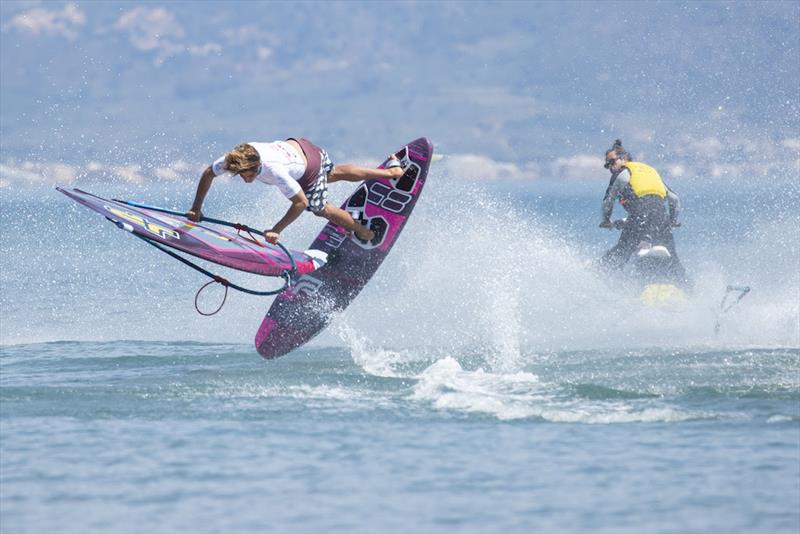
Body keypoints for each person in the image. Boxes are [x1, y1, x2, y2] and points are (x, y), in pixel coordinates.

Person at [186, 138, 404, 243]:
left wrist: (277, 229)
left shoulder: (274, 171)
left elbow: (300, 202)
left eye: (247, 175)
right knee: (333, 173)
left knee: (319, 208)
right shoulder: (235, 158)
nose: (245, 180)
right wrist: (196, 208)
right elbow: (208, 173)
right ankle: (391, 172)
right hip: (304, 146)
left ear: (256, 167)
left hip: (308, 167)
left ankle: (365, 232)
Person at [598, 139, 688, 285]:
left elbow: (608, 201)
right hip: (662, 218)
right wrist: (672, 220)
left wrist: (606, 220)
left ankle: (598, 273)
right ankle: (685, 288)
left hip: (640, 217)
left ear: (624, 158)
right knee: (673, 259)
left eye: (612, 162)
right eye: (607, 165)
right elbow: (675, 200)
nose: (610, 167)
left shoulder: (622, 173)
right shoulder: (650, 171)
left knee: (623, 251)